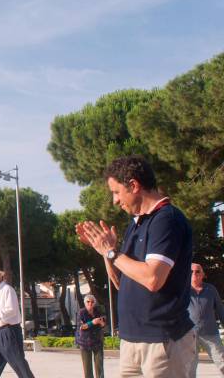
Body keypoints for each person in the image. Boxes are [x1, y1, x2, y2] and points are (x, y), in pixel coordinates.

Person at [77, 155, 196, 377]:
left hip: (161, 342)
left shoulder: (166, 220)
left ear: (133, 185)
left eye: (116, 192)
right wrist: (105, 253)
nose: (114, 200)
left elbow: (152, 279)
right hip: (132, 342)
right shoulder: (136, 224)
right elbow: (123, 283)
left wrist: (112, 252)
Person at [0, 270, 35, 378]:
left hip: (9, 332)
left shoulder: (7, 289)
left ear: (0, 276)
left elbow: (12, 310)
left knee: (19, 365)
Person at [188, 263, 224, 375]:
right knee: (190, 367)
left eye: (198, 271)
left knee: (222, 361)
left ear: (203, 274)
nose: (194, 273)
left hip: (210, 332)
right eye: (191, 271)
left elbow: (220, 309)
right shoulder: (183, 290)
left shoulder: (211, 289)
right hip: (189, 334)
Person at [75, 294, 105, 378]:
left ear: (94, 303)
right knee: (87, 368)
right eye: (88, 302)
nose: (90, 303)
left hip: (97, 341)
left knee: (99, 366)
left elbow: (103, 324)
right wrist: (92, 322)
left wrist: (101, 323)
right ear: (85, 303)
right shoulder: (81, 312)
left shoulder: (98, 311)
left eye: (92, 302)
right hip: (85, 343)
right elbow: (81, 327)